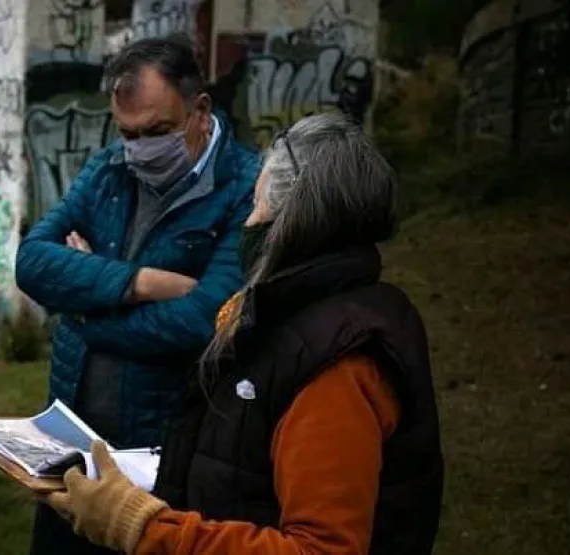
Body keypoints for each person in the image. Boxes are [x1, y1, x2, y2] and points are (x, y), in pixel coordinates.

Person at [43, 113, 445, 555]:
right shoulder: (290, 316)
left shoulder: (336, 361)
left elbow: (321, 549)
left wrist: (144, 529)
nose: (247, 225)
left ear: (292, 221)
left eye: (256, 207)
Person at [15, 35, 260, 555]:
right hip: (70, 445)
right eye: (129, 134)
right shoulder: (109, 168)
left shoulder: (247, 186)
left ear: (200, 110)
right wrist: (139, 283)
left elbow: (203, 318)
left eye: (158, 131)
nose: (141, 149)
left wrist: (81, 308)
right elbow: (31, 262)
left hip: (165, 457)